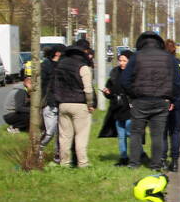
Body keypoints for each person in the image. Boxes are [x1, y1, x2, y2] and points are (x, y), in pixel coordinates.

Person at [122, 31, 180, 170]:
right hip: (162, 101)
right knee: (157, 134)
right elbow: (178, 82)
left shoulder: (136, 57)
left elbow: (125, 80)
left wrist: (133, 94)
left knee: (136, 132)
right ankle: (155, 165)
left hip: (140, 100)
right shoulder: (169, 58)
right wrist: (170, 98)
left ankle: (134, 164)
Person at [54, 40, 96, 168]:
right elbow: (88, 89)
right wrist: (90, 103)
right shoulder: (83, 67)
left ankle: (64, 162)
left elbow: (55, 86)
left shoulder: (60, 66)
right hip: (79, 104)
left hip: (63, 104)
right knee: (81, 135)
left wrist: (58, 100)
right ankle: (82, 162)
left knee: (64, 136)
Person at [99, 50, 132, 166]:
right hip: (117, 108)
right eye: (120, 60)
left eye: (124, 61)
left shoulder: (133, 73)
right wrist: (107, 92)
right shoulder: (114, 73)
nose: (122, 63)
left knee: (130, 133)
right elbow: (110, 89)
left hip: (129, 108)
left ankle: (137, 156)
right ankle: (123, 157)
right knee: (121, 135)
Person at [163, 40, 180, 172]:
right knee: (175, 132)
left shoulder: (161, 63)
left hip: (164, 101)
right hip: (177, 100)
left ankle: (163, 160)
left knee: (163, 132)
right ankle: (175, 161)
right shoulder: (179, 63)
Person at [39, 44, 65, 160]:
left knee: (61, 133)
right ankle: (38, 149)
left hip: (62, 103)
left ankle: (57, 156)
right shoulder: (45, 66)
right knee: (50, 132)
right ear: (58, 53)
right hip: (50, 103)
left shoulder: (63, 65)